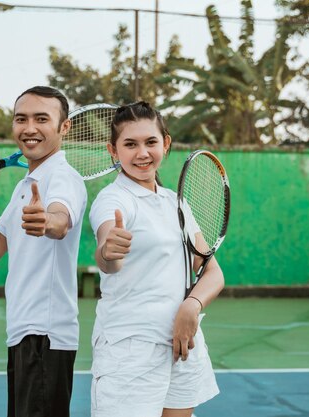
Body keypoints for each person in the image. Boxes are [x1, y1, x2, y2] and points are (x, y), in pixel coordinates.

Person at [88, 101, 224, 417]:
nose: (142, 153)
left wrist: (191, 307)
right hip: (130, 353)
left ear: (166, 143)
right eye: (130, 144)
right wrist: (109, 250)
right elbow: (108, 251)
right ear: (113, 150)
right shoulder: (113, 200)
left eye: (150, 142)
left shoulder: (175, 203)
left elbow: (212, 272)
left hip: (182, 344)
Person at [0, 86, 87, 417]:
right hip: (23, 332)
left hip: (44, 334)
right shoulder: (25, 185)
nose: (29, 128)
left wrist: (48, 221)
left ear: (64, 127)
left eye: (41, 119)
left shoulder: (63, 177)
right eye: (21, 119)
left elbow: (60, 220)